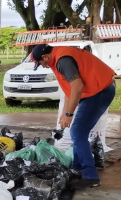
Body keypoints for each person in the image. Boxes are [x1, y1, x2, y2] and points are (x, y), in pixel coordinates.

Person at [30, 44, 116, 189]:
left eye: (40, 63)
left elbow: (77, 86)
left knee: (77, 133)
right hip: (96, 91)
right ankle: (77, 168)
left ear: (45, 57)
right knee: (79, 133)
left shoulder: (62, 61)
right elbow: (70, 90)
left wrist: (69, 114)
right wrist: (65, 113)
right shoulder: (58, 57)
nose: (42, 66)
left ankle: (90, 176)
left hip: (99, 92)